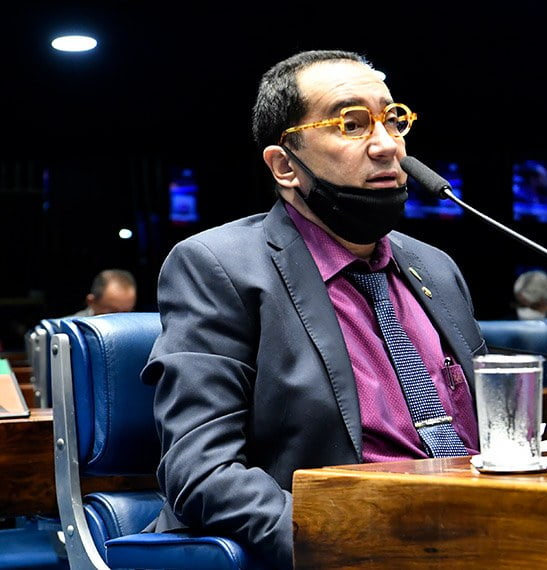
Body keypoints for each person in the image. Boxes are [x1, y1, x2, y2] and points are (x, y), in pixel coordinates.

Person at [142, 50, 485, 568]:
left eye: (393, 119)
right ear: (285, 166)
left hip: (482, 527)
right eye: (351, 123)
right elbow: (201, 473)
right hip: (351, 542)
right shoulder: (218, 267)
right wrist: (348, 548)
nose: (387, 144)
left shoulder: (434, 267)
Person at [70, 269, 137, 316]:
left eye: (126, 313)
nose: (120, 319)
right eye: (112, 313)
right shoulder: (71, 329)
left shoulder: (135, 328)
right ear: (91, 302)